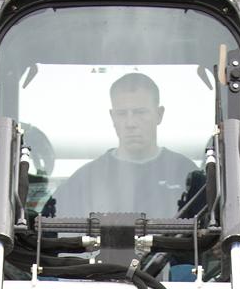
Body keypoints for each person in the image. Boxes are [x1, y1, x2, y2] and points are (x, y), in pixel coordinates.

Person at [50, 73, 195, 218]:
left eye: (140, 112)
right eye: (122, 114)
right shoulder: (84, 180)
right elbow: (46, 231)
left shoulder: (186, 174)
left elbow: (208, 229)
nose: (130, 123)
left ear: (159, 114)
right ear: (112, 117)